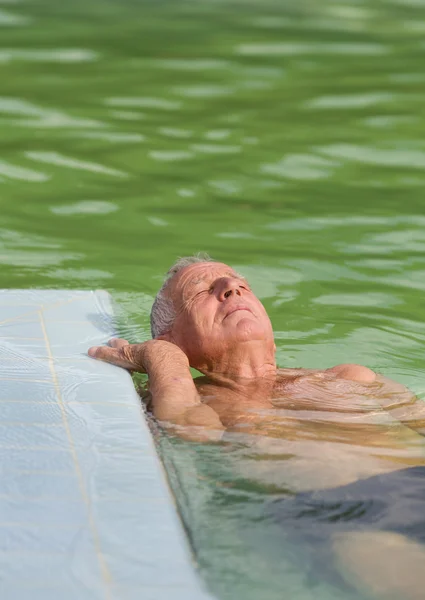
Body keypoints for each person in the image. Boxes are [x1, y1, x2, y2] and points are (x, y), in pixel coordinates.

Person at [88, 254, 425, 600]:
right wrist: (162, 357)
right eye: (202, 291)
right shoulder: (198, 399)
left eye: (241, 285)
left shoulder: (350, 378)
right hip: (340, 514)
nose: (231, 287)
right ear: (172, 338)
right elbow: (191, 431)